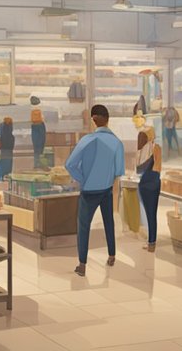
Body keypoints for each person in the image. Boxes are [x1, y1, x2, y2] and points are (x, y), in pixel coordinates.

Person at [65, 105, 125, 277]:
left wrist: (83, 178)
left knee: (84, 226)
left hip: (89, 190)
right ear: (108, 120)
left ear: (93, 120)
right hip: (106, 190)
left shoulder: (87, 140)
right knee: (109, 222)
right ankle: (112, 255)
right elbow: (119, 170)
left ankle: (82, 264)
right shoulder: (116, 142)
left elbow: (70, 164)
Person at [135, 129, 162, 252]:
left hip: (143, 184)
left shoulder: (140, 151)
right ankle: (152, 243)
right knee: (152, 214)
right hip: (153, 182)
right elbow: (158, 166)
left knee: (148, 214)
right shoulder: (155, 147)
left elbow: (138, 170)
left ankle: (151, 242)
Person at [0, 117, 16, 182]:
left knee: (2, 165)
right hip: (9, 151)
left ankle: (0, 178)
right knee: (7, 165)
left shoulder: (2, 130)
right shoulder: (10, 134)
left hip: (3, 150)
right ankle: (6, 178)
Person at [30, 97, 48, 168]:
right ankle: (39, 163)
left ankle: (36, 164)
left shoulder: (30, 108)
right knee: (41, 146)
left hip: (34, 126)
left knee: (36, 148)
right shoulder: (41, 108)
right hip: (40, 126)